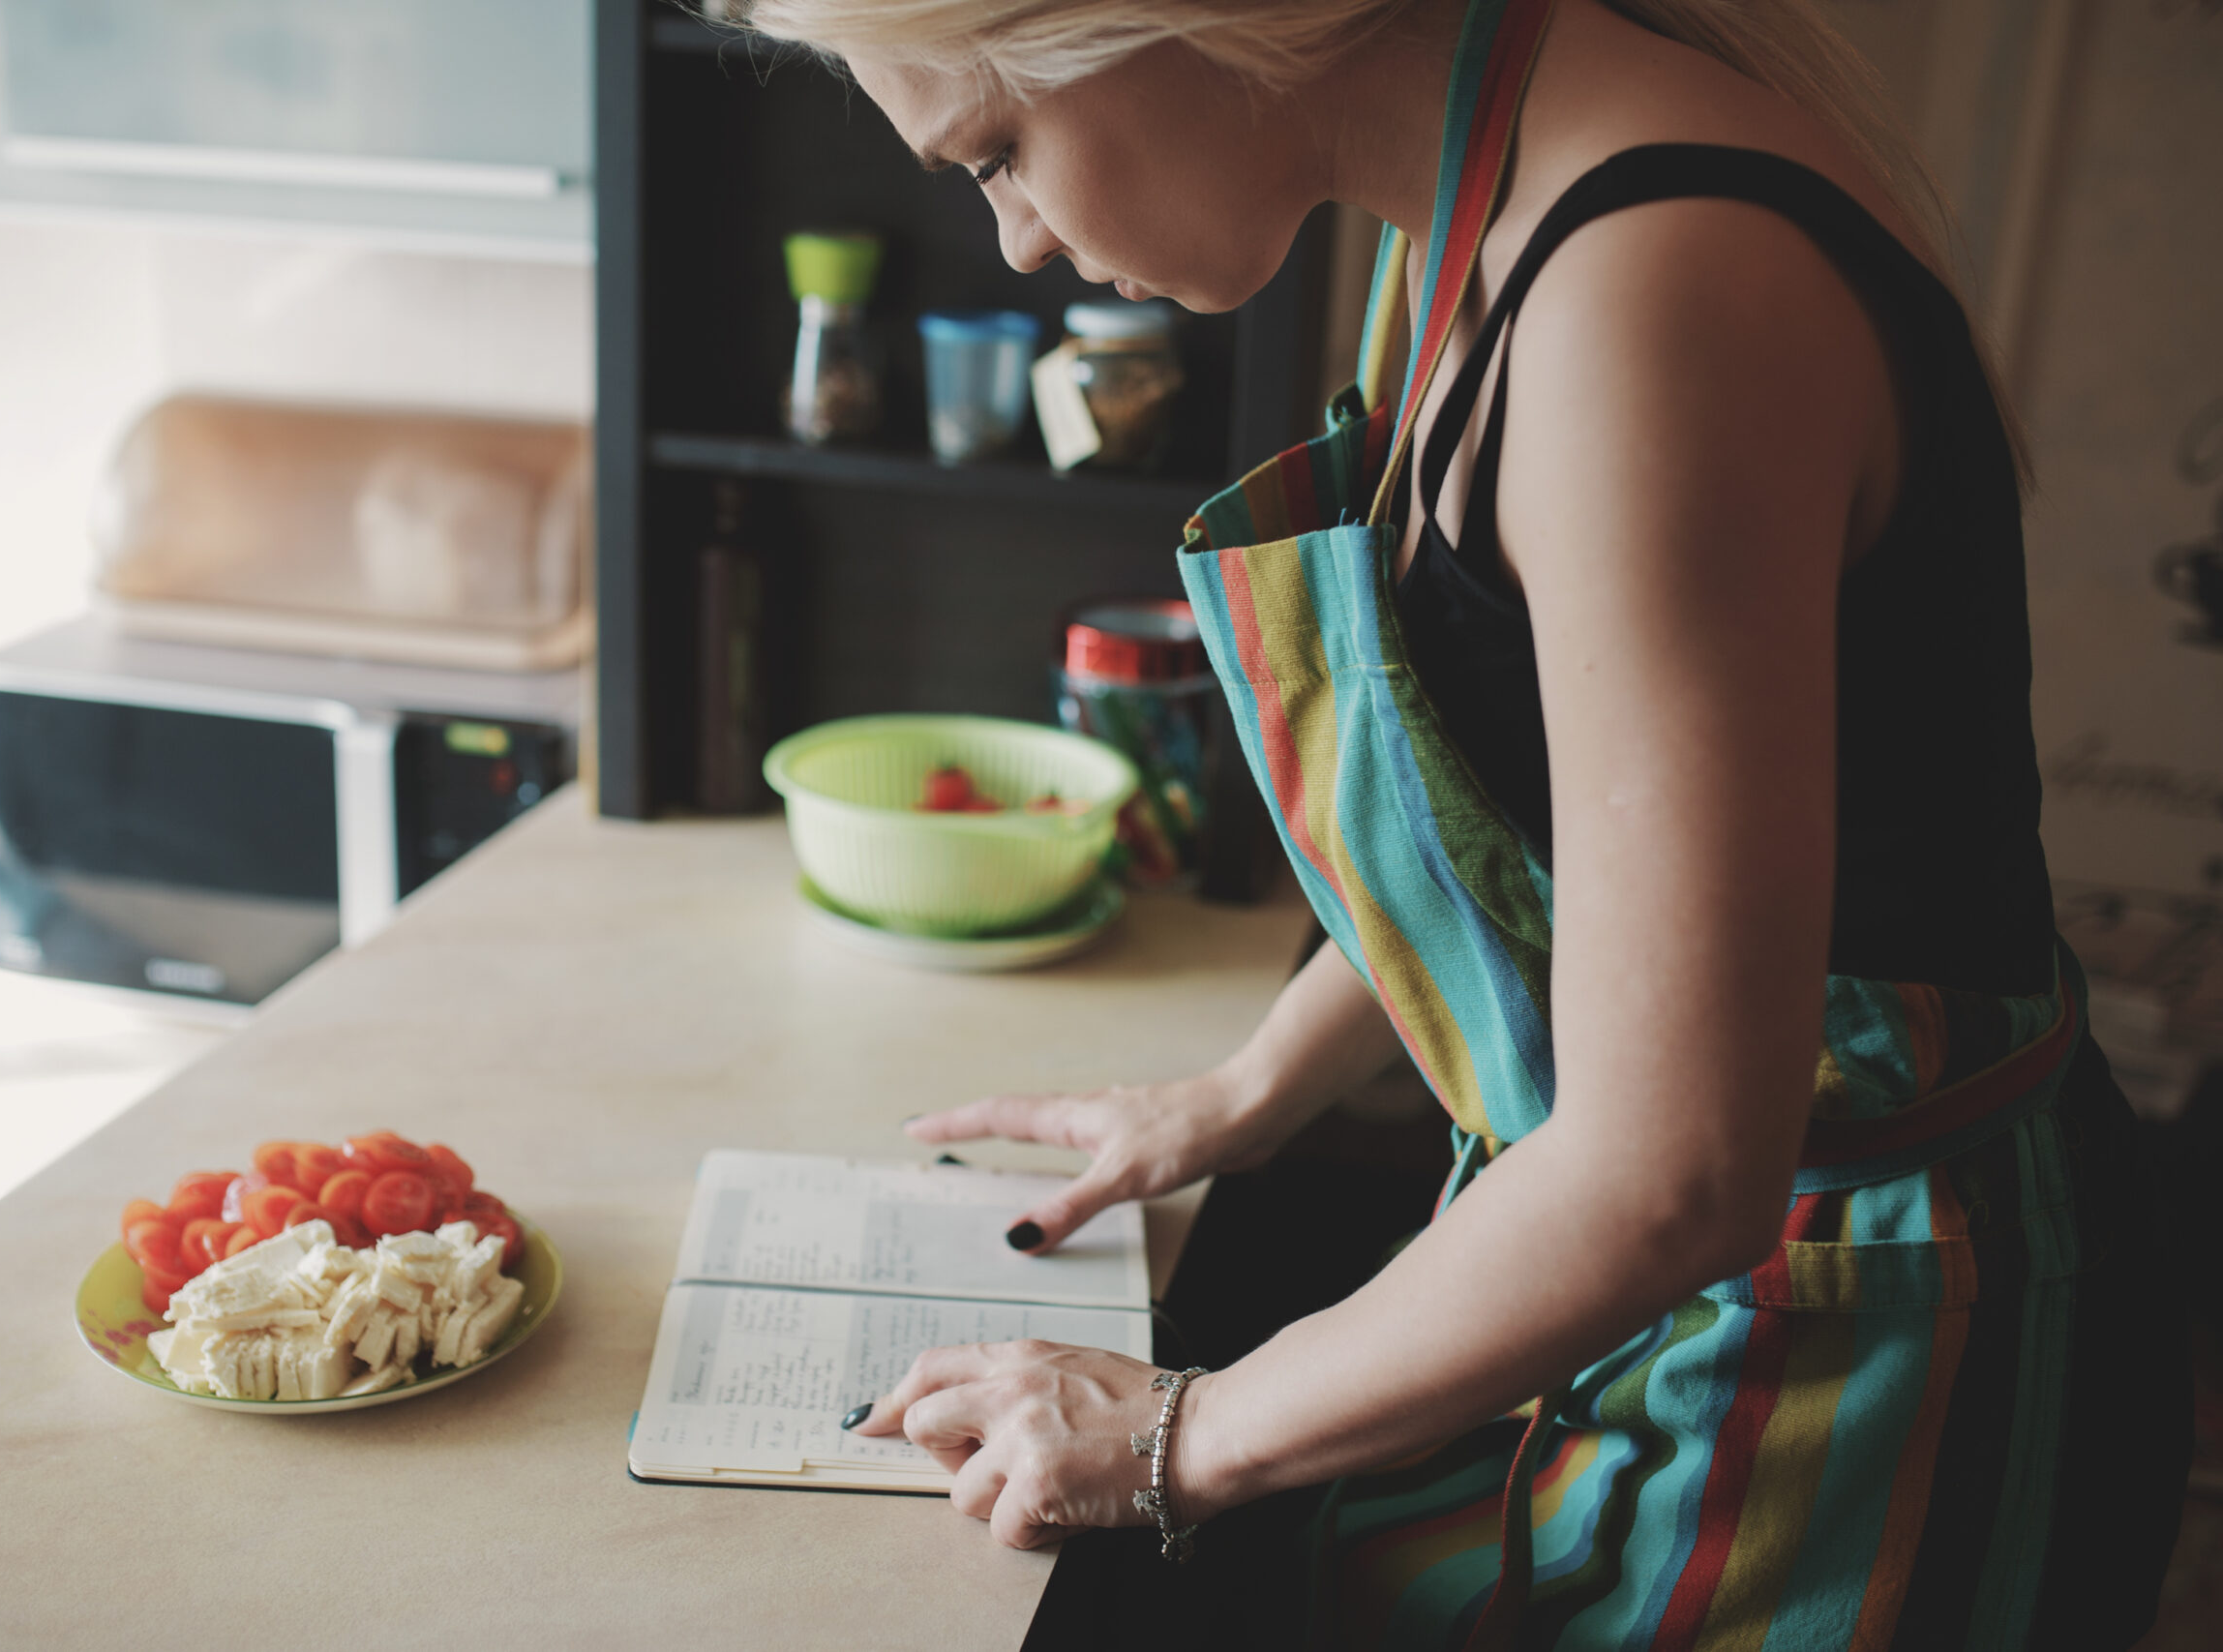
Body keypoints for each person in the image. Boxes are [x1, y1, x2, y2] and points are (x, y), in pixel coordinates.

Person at [722, 0, 2190, 1644]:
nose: (1014, 241)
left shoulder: (1650, 285)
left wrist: (1173, 1437)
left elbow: (1671, 1172)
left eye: (997, 151)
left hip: (1874, 1372)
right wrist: (1241, 1092)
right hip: (1711, 1303)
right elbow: (1547, 827)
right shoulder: (1475, 211)